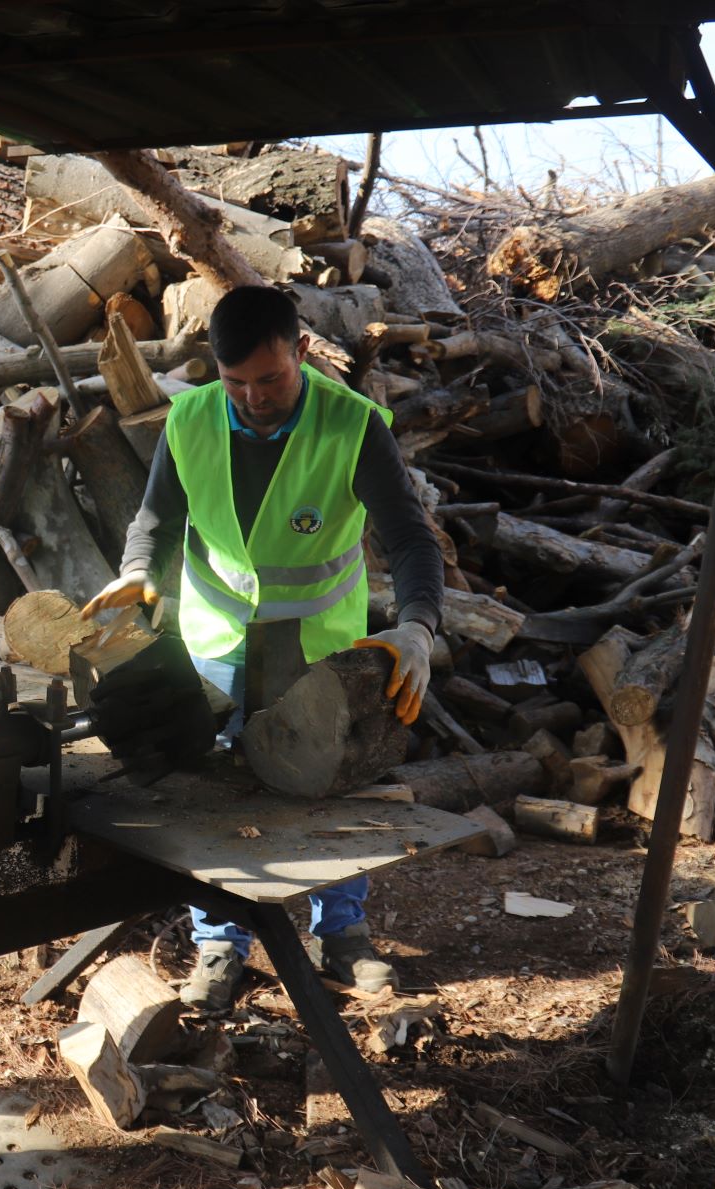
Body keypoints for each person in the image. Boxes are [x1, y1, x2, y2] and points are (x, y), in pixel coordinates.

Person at [81, 285, 445, 1011]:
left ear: (303, 353)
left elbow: (408, 538)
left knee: (330, 790)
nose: (252, 397)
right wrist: (135, 575)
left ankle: (340, 932)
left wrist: (417, 624)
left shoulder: (352, 425)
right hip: (216, 643)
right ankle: (220, 940)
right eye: (234, 382)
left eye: (270, 379)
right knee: (209, 791)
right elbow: (155, 521)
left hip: (320, 649)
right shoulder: (186, 418)